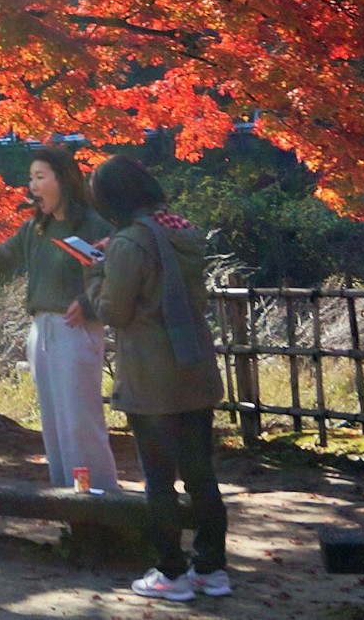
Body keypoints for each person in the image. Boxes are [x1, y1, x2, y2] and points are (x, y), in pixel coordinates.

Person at [86, 155, 230, 602]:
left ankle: (172, 571)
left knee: (160, 480)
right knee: (201, 474)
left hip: (151, 377)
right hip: (194, 368)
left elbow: (114, 310)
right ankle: (211, 567)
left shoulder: (129, 244)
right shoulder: (183, 232)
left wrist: (94, 270)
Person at [0, 143, 119, 491]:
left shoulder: (94, 224)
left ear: (62, 179)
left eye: (40, 176)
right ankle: (69, 499)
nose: (32, 185)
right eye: (30, 177)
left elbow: (116, 273)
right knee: (54, 422)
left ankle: (104, 499)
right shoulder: (36, 229)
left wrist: (88, 302)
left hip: (76, 330)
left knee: (81, 421)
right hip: (41, 331)